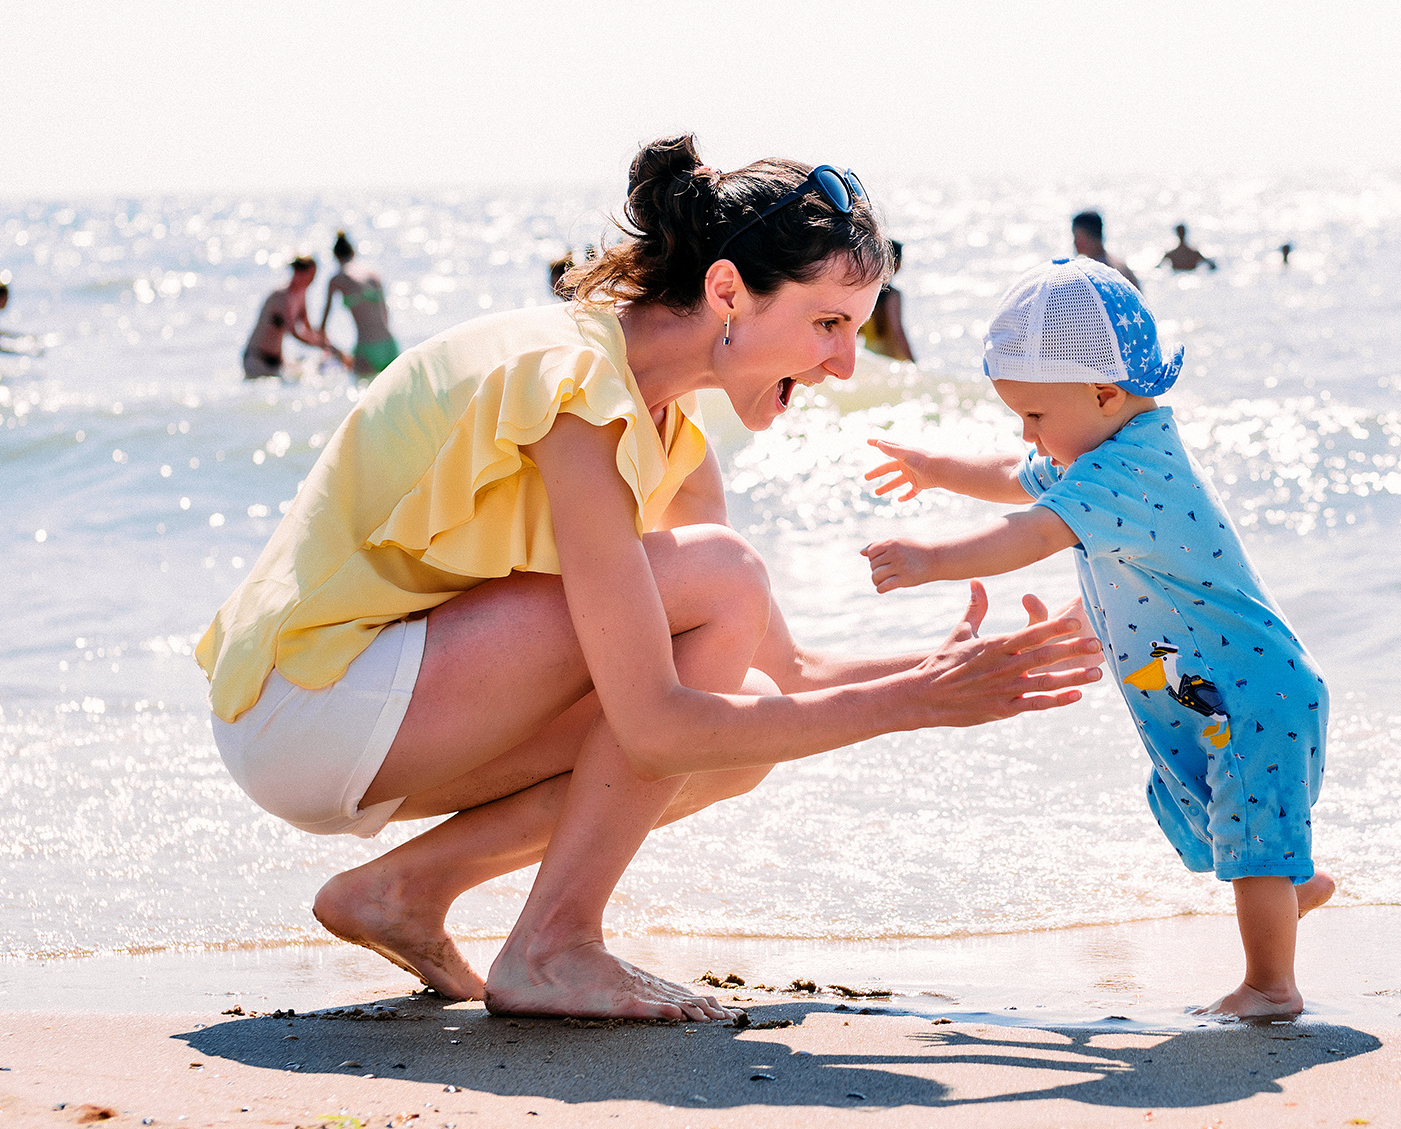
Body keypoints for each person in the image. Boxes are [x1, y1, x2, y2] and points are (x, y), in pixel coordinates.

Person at [195, 136, 1103, 1022]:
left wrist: (954, 674)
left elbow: (781, 674)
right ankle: (552, 944)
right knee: (721, 589)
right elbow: (655, 723)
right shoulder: (575, 387)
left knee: (742, 725)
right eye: (829, 324)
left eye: (855, 330)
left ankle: (405, 890)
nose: (843, 364)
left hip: (375, 722)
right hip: (308, 700)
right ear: (727, 292)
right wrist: (914, 704)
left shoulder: (670, 433)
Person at [860, 257, 1333, 1018]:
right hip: (1206, 690)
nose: (1027, 436)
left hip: (1253, 695)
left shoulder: (1130, 470)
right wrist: (937, 468)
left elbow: (1030, 532)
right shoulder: (1106, 451)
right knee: (1214, 815)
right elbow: (1019, 476)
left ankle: (1270, 987)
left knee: (1248, 834)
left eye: (1034, 416)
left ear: (1104, 393)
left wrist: (931, 560)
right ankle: (1289, 889)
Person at [241, 257, 343, 378]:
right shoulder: (281, 296)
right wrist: (323, 346)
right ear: (298, 273)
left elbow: (307, 327)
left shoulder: (301, 294)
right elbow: (293, 332)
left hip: (277, 360)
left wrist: (327, 344)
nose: (313, 280)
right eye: (311, 275)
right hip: (257, 359)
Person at [322, 231, 402, 375]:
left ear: (336, 256)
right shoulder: (373, 275)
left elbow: (323, 326)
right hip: (389, 345)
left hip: (366, 347)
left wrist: (335, 351)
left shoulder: (337, 280)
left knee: (362, 388)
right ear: (352, 252)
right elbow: (385, 314)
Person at [859, 239, 915, 361]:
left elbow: (859, 330)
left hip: (870, 356)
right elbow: (897, 330)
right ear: (896, 263)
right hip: (889, 357)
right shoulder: (892, 295)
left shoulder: (867, 293)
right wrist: (912, 361)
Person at [1071, 210, 1142, 289]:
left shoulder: (1094, 273)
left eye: (1076, 236)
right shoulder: (1121, 267)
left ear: (1087, 237)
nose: (1074, 242)